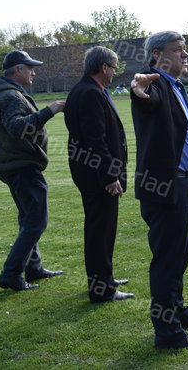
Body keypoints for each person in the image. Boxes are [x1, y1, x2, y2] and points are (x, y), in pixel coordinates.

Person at [130, 31, 188, 349]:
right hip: (167, 187)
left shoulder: (175, 86)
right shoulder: (155, 84)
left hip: (185, 183)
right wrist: (139, 88)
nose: (185, 54)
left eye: (185, 49)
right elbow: (145, 96)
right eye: (178, 50)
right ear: (156, 56)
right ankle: (167, 333)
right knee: (168, 262)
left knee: (178, 258)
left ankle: (178, 312)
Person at [0, 50, 65, 291]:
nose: (33, 73)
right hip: (21, 166)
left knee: (28, 218)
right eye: (30, 68)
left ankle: (33, 268)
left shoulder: (2, 93)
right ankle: (11, 274)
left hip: (12, 164)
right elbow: (17, 128)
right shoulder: (10, 96)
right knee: (36, 221)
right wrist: (50, 111)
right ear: (17, 70)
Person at [64, 46, 132, 303]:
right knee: (100, 233)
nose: (115, 72)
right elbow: (95, 141)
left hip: (91, 174)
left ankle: (104, 278)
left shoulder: (84, 90)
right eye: (114, 67)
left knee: (101, 231)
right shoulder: (90, 93)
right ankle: (102, 289)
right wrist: (110, 177)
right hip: (98, 178)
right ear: (104, 67)